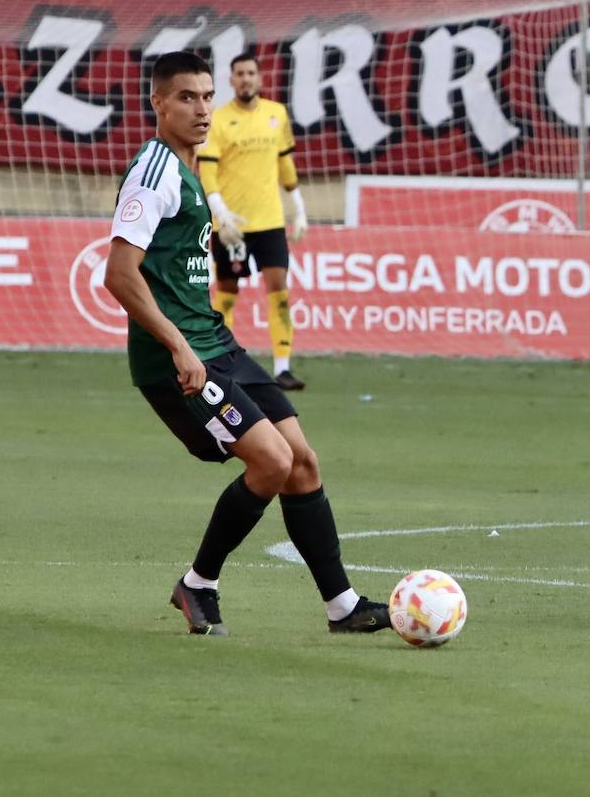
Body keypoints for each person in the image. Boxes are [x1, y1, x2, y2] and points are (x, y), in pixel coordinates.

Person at [104, 51, 390, 637]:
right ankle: (198, 584)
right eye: (187, 97)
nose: (202, 108)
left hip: (217, 343)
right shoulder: (153, 172)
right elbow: (119, 274)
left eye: (207, 96)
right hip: (177, 360)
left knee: (303, 461)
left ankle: (343, 607)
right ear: (157, 103)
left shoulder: (191, 166)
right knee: (272, 460)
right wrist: (179, 348)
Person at [198, 53, 307, 392]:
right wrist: (221, 213)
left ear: (259, 79)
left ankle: (284, 367)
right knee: (227, 294)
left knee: (280, 290)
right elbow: (208, 170)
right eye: (239, 74)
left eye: (250, 73)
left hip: (270, 221)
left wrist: (299, 208)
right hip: (232, 225)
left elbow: (285, 166)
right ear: (230, 81)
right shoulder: (218, 119)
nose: (245, 79)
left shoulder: (276, 114)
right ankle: (218, 363)